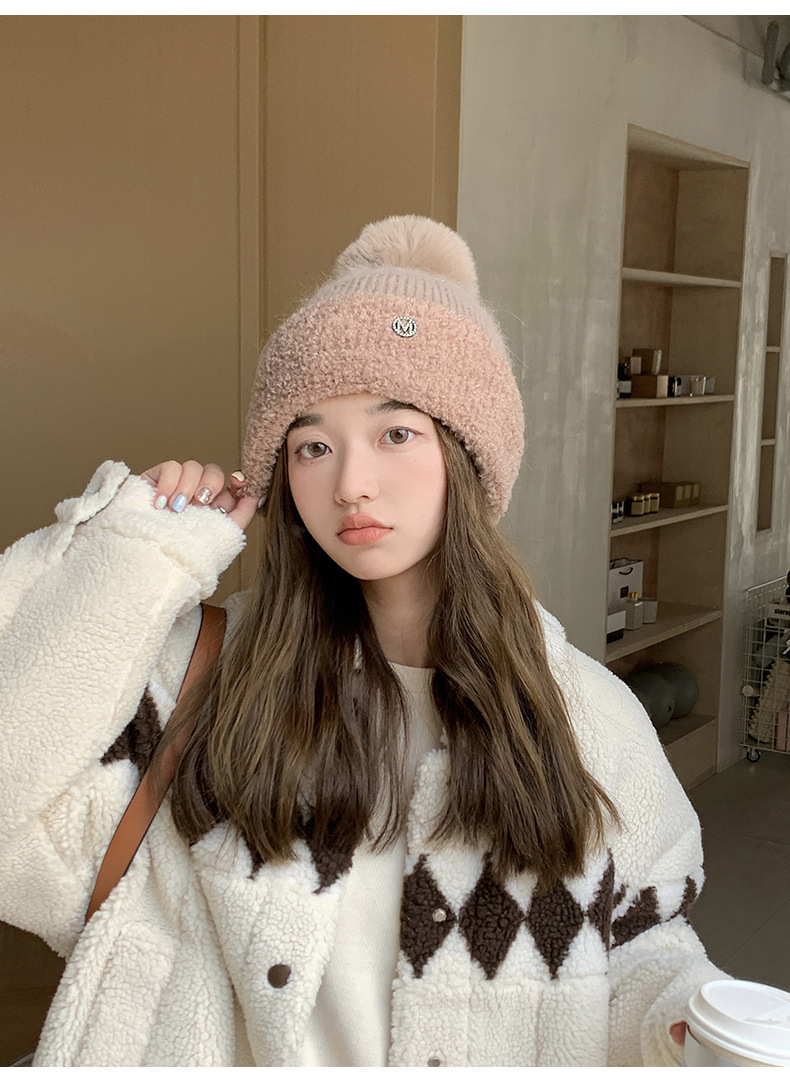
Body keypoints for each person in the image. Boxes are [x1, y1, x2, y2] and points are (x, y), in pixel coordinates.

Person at [0, 216, 724, 1067]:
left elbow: (640, 941)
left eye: (396, 433)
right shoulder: (203, 680)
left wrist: (687, 1023)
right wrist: (132, 557)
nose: (350, 483)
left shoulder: (584, 717)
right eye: (312, 445)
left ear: (469, 455)